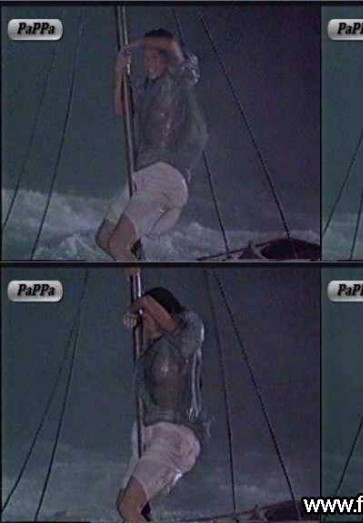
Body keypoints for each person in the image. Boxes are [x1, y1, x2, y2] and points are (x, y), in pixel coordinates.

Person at [96, 29, 208, 263]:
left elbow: (170, 43)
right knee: (104, 238)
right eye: (146, 59)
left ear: (168, 60)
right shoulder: (147, 88)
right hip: (144, 173)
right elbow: (121, 109)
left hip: (166, 174)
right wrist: (119, 71)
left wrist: (134, 44)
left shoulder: (177, 78)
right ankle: (137, 264)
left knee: (117, 244)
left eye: (155, 58)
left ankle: (138, 273)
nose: (149, 64)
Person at [117, 287, 209, 522]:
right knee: (124, 502)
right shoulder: (151, 349)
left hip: (175, 436)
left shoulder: (183, 337)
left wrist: (134, 307)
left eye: (147, 315)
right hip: (149, 433)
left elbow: (147, 302)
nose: (144, 320)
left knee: (129, 506)